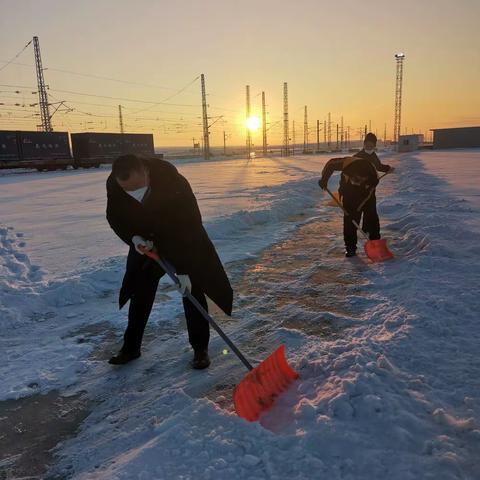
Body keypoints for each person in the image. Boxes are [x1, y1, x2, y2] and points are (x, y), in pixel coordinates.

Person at [106, 154, 233, 368]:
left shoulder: (173, 181)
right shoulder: (115, 184)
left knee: (192, 289)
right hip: (147, 244)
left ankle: (200, 349)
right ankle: (131, 347)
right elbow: (115, 217)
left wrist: (184, 269)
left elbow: (189, 225)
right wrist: (134, 238)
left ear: (146, 171)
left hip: (183, 240)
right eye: (129, 191)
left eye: (138, 188)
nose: (134, 195)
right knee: (140, 292)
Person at [319, 133, 394, 257]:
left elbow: (379, 167)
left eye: (371, 144)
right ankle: (351, 248)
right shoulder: (352, 161)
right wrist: (324, 180)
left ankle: (375, 243)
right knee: (351, 222)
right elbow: (331, 164)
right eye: (367, 143)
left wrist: (387, 168)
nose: (369, 146)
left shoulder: (373, 161)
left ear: (374, 145)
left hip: (368, 195)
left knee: (372, 220)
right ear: (364, 144)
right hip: (350, 194)